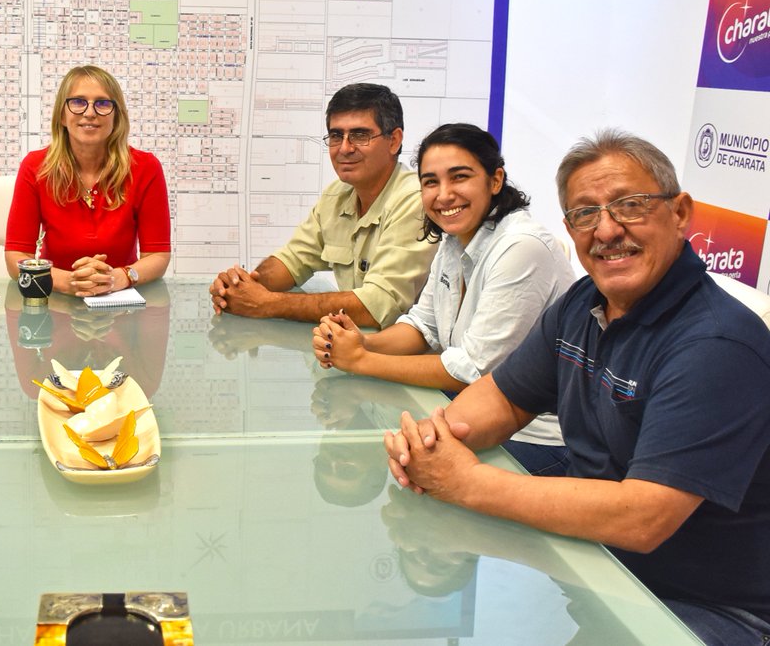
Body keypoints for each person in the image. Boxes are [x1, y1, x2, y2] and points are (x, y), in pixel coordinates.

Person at [384, 130, 770, 645]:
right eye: (585, 213)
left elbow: (643, 517)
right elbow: (502, 397)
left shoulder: (717, 344)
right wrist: (433, 442)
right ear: (570, 228)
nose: (607, 229)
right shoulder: (584, 303)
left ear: (679, 213)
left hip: (708, 608)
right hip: (606, 568)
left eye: (629, 206)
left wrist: (466, 481)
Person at [313, 123, 575, 476]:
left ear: (495, 180)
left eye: (460, 177)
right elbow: (424, 326)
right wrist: (365, 342)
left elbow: (472, 370)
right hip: (472, 418)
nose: (444, 194)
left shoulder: (521, 247)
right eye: (431, 182)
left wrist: (360, 360)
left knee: (413, 474)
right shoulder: (455, 240)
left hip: (537, 440)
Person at [209, 83, 435, 326]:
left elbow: (377, 306)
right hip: (351, 349)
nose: (345, 148)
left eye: (360, 135)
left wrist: (267, 304)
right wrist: (240, 287)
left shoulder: (415, 200)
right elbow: (292, 260)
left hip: (404, 356)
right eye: (336, 136)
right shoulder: (336, 196)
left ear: (394, 141)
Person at [5, 65, 171, 297]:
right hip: (54, 305)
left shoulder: (145, 168)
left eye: (102, 103)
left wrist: (118, 278)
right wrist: (69, 282)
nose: (90, 112)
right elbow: (16, 257)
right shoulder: (35, 167)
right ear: (62, 115)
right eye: (78, 102)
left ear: (117, 115)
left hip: (122, 306)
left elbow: (158, 256)